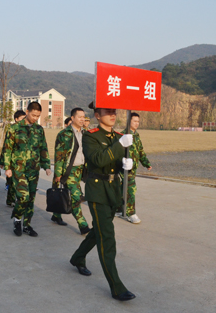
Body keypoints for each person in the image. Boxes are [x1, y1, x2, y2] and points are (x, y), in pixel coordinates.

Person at [69, 102, 136, 302]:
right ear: (97, 115)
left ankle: (77, 258)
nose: (112, 114)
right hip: (97, 191)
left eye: (114, 111)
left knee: (99, 230)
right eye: (107, 111)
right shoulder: (90, 135)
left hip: (113, 191)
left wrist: (128, 164)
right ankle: (116, 286)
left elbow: (119, 161)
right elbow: (97, 160)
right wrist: (120, 146)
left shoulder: (118, 137)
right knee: (107, 236)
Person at [3, 102, 51, 237]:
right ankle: (17, 219)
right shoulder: (14, 128)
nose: (35, 118)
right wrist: (7, 167)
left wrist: (46, 165)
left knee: (31, 198)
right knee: (23, 197)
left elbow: (43, 148)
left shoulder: (39, 129)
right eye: (33, 115)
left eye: (38, 116)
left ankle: (27, 225)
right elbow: (7, 149)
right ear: (27, 111)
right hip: (18, 168)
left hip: (33, 169)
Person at [51, 107, 91, 234]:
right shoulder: (64, 134)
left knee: (65, 193)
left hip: (81, 170)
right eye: (79, 117)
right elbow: (59, 155)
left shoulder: (86, 134)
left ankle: (56, 215)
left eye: (83, 117)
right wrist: (58, 173)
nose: (82, 119)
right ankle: (83, 225)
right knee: (76, 197)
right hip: (69, 170)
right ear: (72, 118)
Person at [119, 112, 152, 224]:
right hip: (124, 168)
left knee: (123, 189)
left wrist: (146, 163)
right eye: (134, 121)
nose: (137, 123)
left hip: (133, 169)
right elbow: (116, 152)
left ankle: (119, 209)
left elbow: (140, 151)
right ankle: (131, 213)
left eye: (138, 121)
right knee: (131, 190)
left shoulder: (136, 136)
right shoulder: (123, 135)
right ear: (129, 122)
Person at [0, 110, 26, 207]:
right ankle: (11, 200)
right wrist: (3, 162)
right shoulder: (12, 129)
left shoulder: (26, 130)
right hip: (12, 160)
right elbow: (6, 148)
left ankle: (13, 200)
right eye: (22, 119)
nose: (24, 120)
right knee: (13, 183)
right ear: (16, 119)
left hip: (22, 162)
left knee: (17, 183)